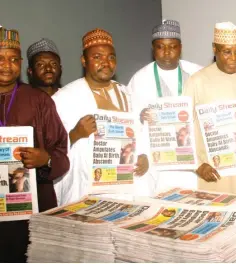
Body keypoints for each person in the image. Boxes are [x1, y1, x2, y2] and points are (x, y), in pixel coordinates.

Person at [52, 28, 149, 205]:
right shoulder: (64, 98)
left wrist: (144, 156)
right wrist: (75, 134)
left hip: (125, 189)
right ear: (84, 60)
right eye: (97, 57)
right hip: (85, 190)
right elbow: (50, 149)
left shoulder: (127, 94)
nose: (106, 62)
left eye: (111, 57)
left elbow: (141, 134)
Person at [0, 26, 70, 263]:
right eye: (0, 58)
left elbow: (61, 150)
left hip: (33, 205)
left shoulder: (38, 100)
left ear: (20, 63)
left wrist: (46, 159)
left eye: (12, 59)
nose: (6, 65)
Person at [183, 22, 236, 212]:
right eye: (226, 52)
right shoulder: (197, 81)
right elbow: (184, 128)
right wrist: (197, 165)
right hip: (216, 175)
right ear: (214, 49)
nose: (233, 58)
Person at [128, 20, 202, 192]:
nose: (167, 52)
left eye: (172, 46)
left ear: (180, 47)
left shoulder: (197, 73)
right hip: (156, 159)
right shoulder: (139, 79)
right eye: (161, 46)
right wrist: (140, 117)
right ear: (153, 49)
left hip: (192, 158)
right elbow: (130, 122)